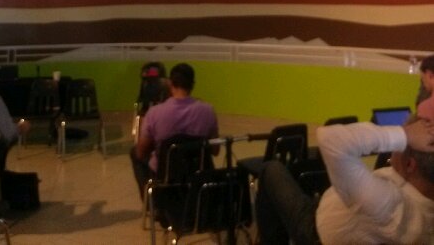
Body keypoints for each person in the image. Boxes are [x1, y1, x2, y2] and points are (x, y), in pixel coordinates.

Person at [255, 118, 434, 244]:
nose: (393, 150)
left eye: (398, 147)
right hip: (334, 213)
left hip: (314, 229)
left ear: (410, 165)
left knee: (270, 169)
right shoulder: (417, 188)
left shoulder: (389, 205)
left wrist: (404, 135)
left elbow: (329, 139)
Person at [130, 62, 219, 199]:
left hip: (165, 176)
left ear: (170, 84)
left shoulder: (154, 113)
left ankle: (151, 201)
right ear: (192, 85)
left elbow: (141, 153)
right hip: (197, 175)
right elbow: (215, 150)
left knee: (134, 153)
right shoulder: (208, 111)